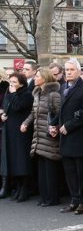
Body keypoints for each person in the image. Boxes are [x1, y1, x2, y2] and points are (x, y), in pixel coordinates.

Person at [21, 68, 62, 206]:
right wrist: (26, 123)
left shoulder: (53, 95)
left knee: (50, 170)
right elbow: (34, 113)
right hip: (38, 135)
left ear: (44, 78)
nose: (35, 77)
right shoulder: (37, 94)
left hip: (49, 135)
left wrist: (54, 127)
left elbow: (59, 114)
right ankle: (44, 197)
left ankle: (52, 198)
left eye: (38, 75)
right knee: (42, 169)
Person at [58, 60, 83, 214]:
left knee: (82, 172)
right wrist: (54, 124)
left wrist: (69, 125)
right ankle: (74, 200)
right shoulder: (62, 88)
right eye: (66, 70)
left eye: (72, 69)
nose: (68, 72)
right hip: (64, 136)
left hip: (78, 136)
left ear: (79, 71)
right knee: (70, 171)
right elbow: (59, 111)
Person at [0, 73, 34, 202]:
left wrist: (13, 93)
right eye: (11, 81)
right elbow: (6, 106)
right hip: (10, 129)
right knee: (13, 160)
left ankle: (24, 189)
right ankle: (18, 188)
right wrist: (3, 114)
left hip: (21, 130)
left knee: (22, 159)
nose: (12, 84)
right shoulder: (9, 92)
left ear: (21, 82)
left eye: (14, 81)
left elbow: (18, 106)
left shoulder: (26, 94)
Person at [0, 68, 10, 198]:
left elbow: (6, 104)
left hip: (2, 124)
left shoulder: (5, 86)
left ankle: (5, 185)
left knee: (2, 156)